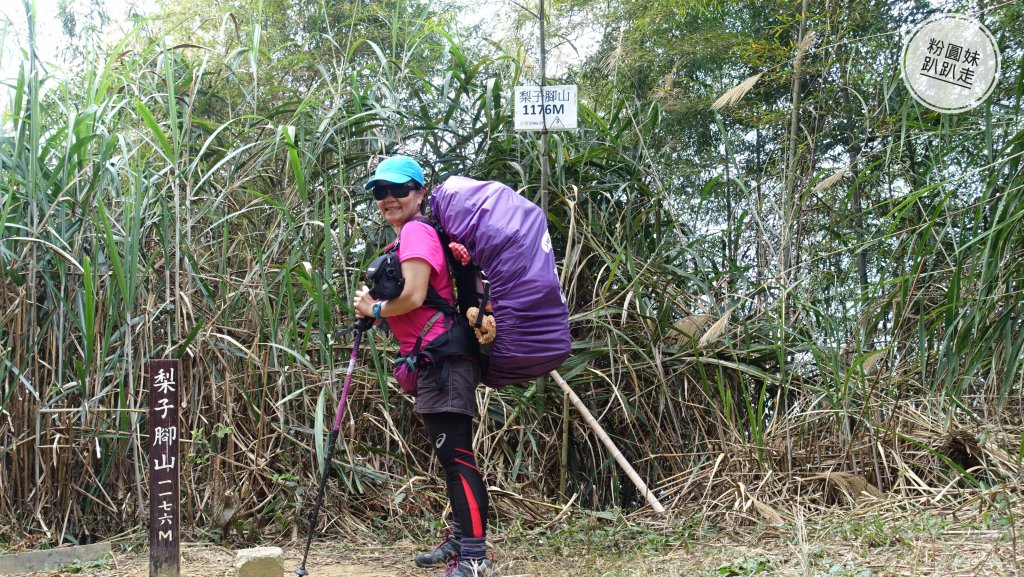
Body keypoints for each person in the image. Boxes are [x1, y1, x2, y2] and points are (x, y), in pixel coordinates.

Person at [352, 155, 493, 577]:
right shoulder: (407, 238)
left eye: (398, 190)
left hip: (445, 357)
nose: (389, 198)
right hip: (436, 358)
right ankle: (460, 540)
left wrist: (373, 308)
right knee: (452, 455)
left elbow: (413, 297)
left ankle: (473, 555)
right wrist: (375, 311)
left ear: (419, 192)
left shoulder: (415, 231)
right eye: (380, 192)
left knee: (457, 457)